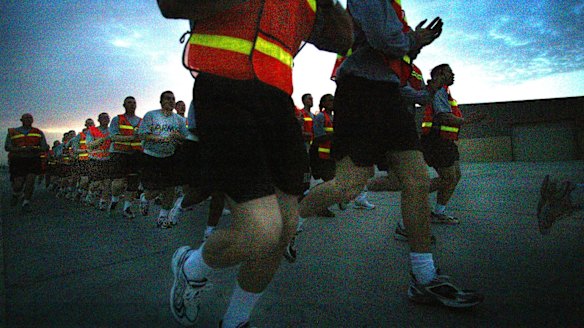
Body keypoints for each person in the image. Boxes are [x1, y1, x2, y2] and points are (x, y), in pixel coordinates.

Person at [158, 0, 353, 326]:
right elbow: (171, 5)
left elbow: (341, 39)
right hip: (223, 89)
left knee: (285, 228)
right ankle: (192, 267)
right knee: (262, 231)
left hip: (277, 100)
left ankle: (236, 320)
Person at [298, 1, 483, 308]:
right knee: (349, 185)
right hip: (361, 93)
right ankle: (293, 221)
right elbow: (385, 40)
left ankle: (424, 278)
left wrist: (427, 80)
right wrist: (417, 40)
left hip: (389, 94)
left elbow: (394, 63)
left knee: (417, 180)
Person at [421, 63, 486, 224]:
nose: (453, 75)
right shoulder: (438, 91)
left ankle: (438, 212)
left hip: (446, 141)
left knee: (454, 176)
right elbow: (443, 116)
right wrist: (469, 120)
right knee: (448, 177)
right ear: (440, 75)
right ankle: (415, 194)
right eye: (450, 72)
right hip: (437, 141)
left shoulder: (445, 91)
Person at [137, 91, 189, 228]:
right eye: (168, 99)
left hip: (169, 157)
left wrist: (178, 137)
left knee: (170, 188)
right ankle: (145, 197)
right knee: (154, 190)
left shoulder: (179, 120)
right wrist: (159, 138)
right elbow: (141, 134)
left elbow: (186, 138)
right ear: (161, 101)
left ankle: (162, 218)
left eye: (173, 99)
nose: (171, 101)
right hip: (151, 156)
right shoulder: (151, 115)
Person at [4, 113, 49, 211]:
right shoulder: (13, 132)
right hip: (18, 160)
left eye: (30, 118)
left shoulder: (38, 132)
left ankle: (26, 202)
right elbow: (7, 147)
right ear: (21, 120)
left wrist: (35, 149)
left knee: (30, 180)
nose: (29, 120)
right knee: (18, 184)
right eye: (26, 118)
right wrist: (20, 150)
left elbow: (45, 146)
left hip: (33, 159)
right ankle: (16, 194)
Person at [108, 96, 143, 219]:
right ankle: (114, 199)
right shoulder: (117, 119)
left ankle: (127, 208)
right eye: (129, 102)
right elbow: (113, 137)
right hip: (119, 153)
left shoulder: (141, 121)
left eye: (134, 102)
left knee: (133, 182)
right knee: (119, 183)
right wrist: (131, 138)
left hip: (135, 155)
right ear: (124, 105)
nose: (132, 104)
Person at [85, 113, 113, 210]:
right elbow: (89, 145)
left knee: (107, 182)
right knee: (96, 183)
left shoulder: (111, 130)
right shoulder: (92, 131)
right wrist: (104, 139)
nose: (106, 120)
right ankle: (91, 193)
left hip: (108, 160)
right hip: (95, 159)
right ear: (99, 120)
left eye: (107, 118)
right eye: (103, 118)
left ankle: (103, 202)